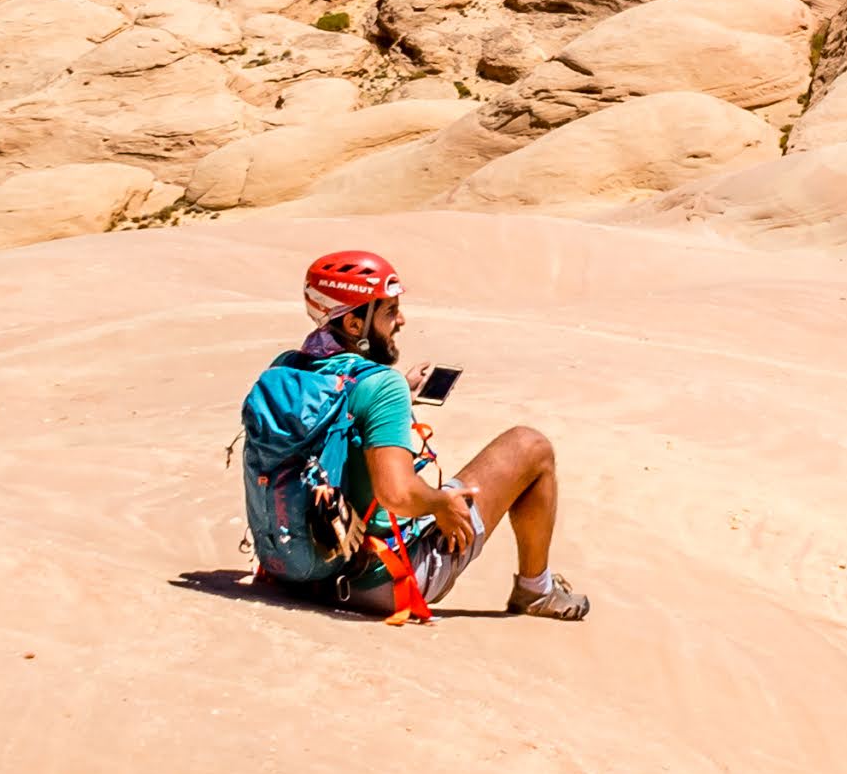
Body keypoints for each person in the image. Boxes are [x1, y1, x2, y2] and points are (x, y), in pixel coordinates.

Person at [239, 249, 587, 621]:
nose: (401, 320)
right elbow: (398, 494)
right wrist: (441, 504)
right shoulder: (380, 386)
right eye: (389, 311)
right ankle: (536, 592)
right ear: (355, 324)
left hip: (293, 573)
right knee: (530, 446)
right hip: (373, 582)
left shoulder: (287, 368)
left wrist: (399, 398)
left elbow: (331, 422)